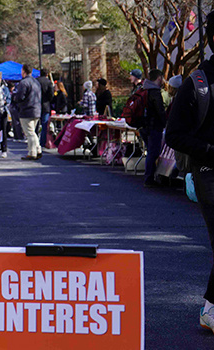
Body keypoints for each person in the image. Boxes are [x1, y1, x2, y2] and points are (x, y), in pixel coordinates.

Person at [165, 11, 214, 333]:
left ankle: (210, 307)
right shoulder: (198, 82)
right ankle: (210, 309)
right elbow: (174, 135)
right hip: (210, 173)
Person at [142, 69, 167, 188]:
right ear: (159, 78)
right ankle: (149, 178)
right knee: (153, 152)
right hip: (154, 126)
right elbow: (160, 111)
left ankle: (149, 176)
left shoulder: (143, 90)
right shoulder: (155, 92)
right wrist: (165, 122)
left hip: (144, 126)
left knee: (150, 151)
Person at [12, 64, 42, 160]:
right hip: (37, 109)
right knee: (33, 132)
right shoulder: (36, 82)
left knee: (29, 132)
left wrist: (15, 98)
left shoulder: (24, 82)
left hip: (26, 110)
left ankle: (32, 152)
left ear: (23, 71)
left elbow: (20, 97)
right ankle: (38, 149)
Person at [37, 69, 54, 148]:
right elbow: (51, 94)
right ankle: (42, 142)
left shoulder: (36, 81)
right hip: (45, 105)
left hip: (36, 105)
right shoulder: (48, 82)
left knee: (35, 125)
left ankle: (35, 141)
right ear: (47, 74)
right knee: (44, 125)